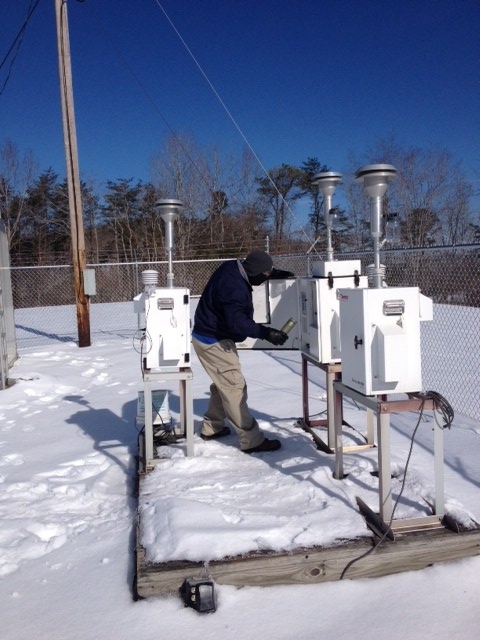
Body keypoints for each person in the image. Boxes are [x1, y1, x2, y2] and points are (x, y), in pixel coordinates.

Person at [192, 250, 294, 454]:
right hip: (213, 341)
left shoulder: (233, 266)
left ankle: (212, 427)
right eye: (264, 276)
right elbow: (239, 324)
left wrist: (273, 273)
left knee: (224, 384)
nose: (264, 281)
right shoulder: (234, 289)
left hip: (208, 335)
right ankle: (251, 440)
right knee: (234, 387)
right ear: (254, 271)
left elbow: (256, 271)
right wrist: (266, 333)